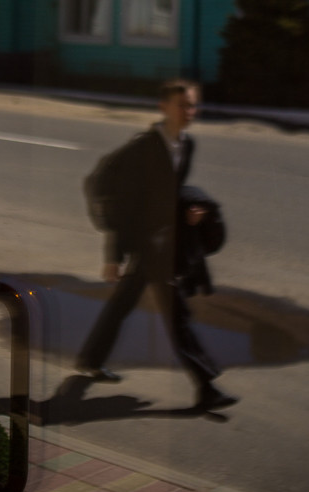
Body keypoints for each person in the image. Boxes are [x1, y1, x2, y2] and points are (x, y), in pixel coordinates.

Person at [77, 79, 237, 411]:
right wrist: (113, 255)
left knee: (123, 303)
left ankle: (91, 358)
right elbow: (123, 203)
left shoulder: (187, 145)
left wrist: (189, 212)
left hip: (163, 240)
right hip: (148, 244)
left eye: (193, 105)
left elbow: (169, 193)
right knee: (177, 316)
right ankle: (206, 387)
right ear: (163, 107)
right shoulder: (143, 149)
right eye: (182, 105)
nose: (189, 111)